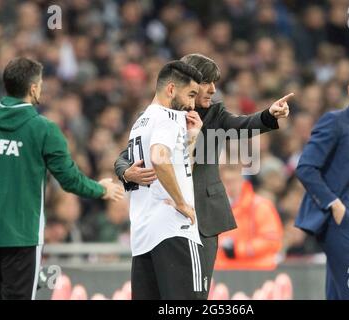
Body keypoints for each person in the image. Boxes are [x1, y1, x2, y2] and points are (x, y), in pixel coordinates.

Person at [114, 53, 292, 297]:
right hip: (170, 217)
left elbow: (243, 125)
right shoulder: (162, 115)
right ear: (188, 82)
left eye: (213, 83)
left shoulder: (213, 115)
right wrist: (126, 172)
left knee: (194, 292)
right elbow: (127, 155)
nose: (212, 89)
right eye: (207, 82)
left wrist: (269, 115)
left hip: (201, 218)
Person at [0, 57, 123, 300]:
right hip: (22, 235)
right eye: (41, 84)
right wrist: (101, 189)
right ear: (33, 88)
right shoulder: (43, 129)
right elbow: (69, 179)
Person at [295, 66, 349, 300]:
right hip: (339, 221)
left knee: (338, 294)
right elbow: (306, 167)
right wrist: (333, 204)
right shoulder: (335, 121)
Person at [128, 60, 205, 299]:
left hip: (143, 236)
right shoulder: (169, 117)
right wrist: (181, 202)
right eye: (191, 94)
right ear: (171, 89)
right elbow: (160, 159)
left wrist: (191, 140)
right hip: (174, 229)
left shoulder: (140, 123)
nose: (192, 104)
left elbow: (174, 165)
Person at [214, 162, 283, 270]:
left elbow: (272, 241)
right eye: (225, 181)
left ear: (242, 180)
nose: (229, 186)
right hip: (223, 271)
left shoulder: (260, 206)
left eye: (233, 181)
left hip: (256, 271)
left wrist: (238, 249)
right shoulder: (215, 208)